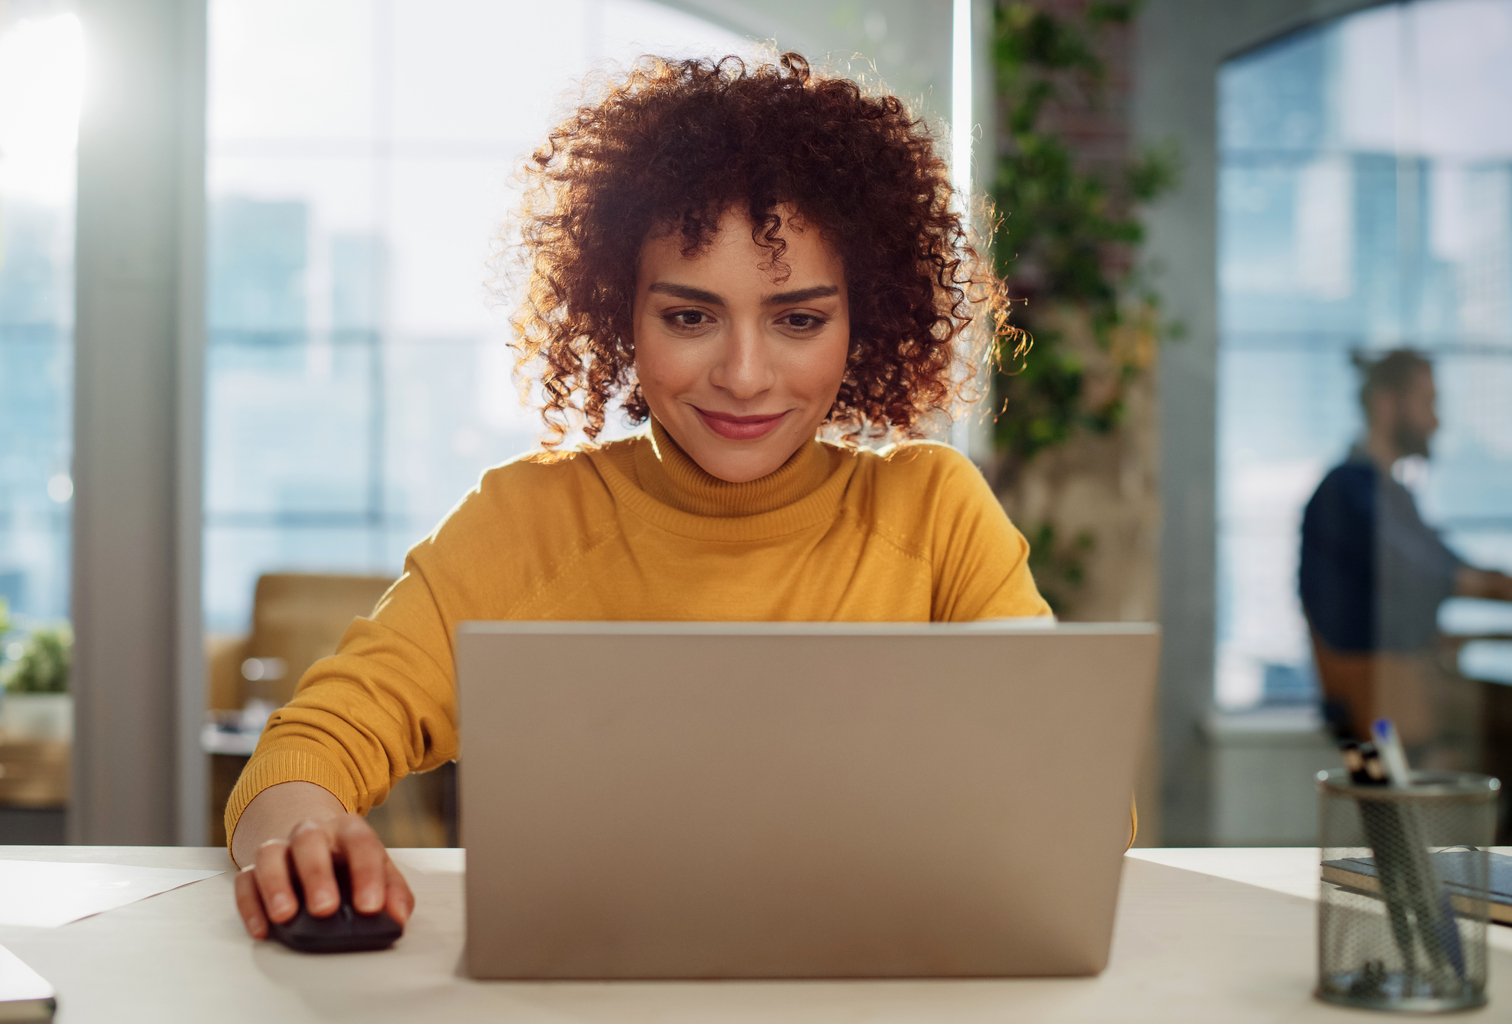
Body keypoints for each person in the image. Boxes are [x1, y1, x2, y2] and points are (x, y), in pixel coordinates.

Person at [230, 53, 1053, 941]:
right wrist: (304, 831)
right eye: (689, 317)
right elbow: (310, 745)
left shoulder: (933, 512)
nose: (743, 376)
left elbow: (1065, 800)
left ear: (865, 322)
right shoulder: (527, 523)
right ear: (620, 312)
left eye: (800, 319)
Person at [1299, 349, 1512, 742]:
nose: (1436, 421)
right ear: (1386, 404)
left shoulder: (1391, 494)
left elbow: (1446, 563)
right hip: (1387, 696)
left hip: (1411, 683)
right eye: (1427, 403)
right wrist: (1491, 588)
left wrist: (1497, 584)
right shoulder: (1347, 492)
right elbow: (1428, 574)